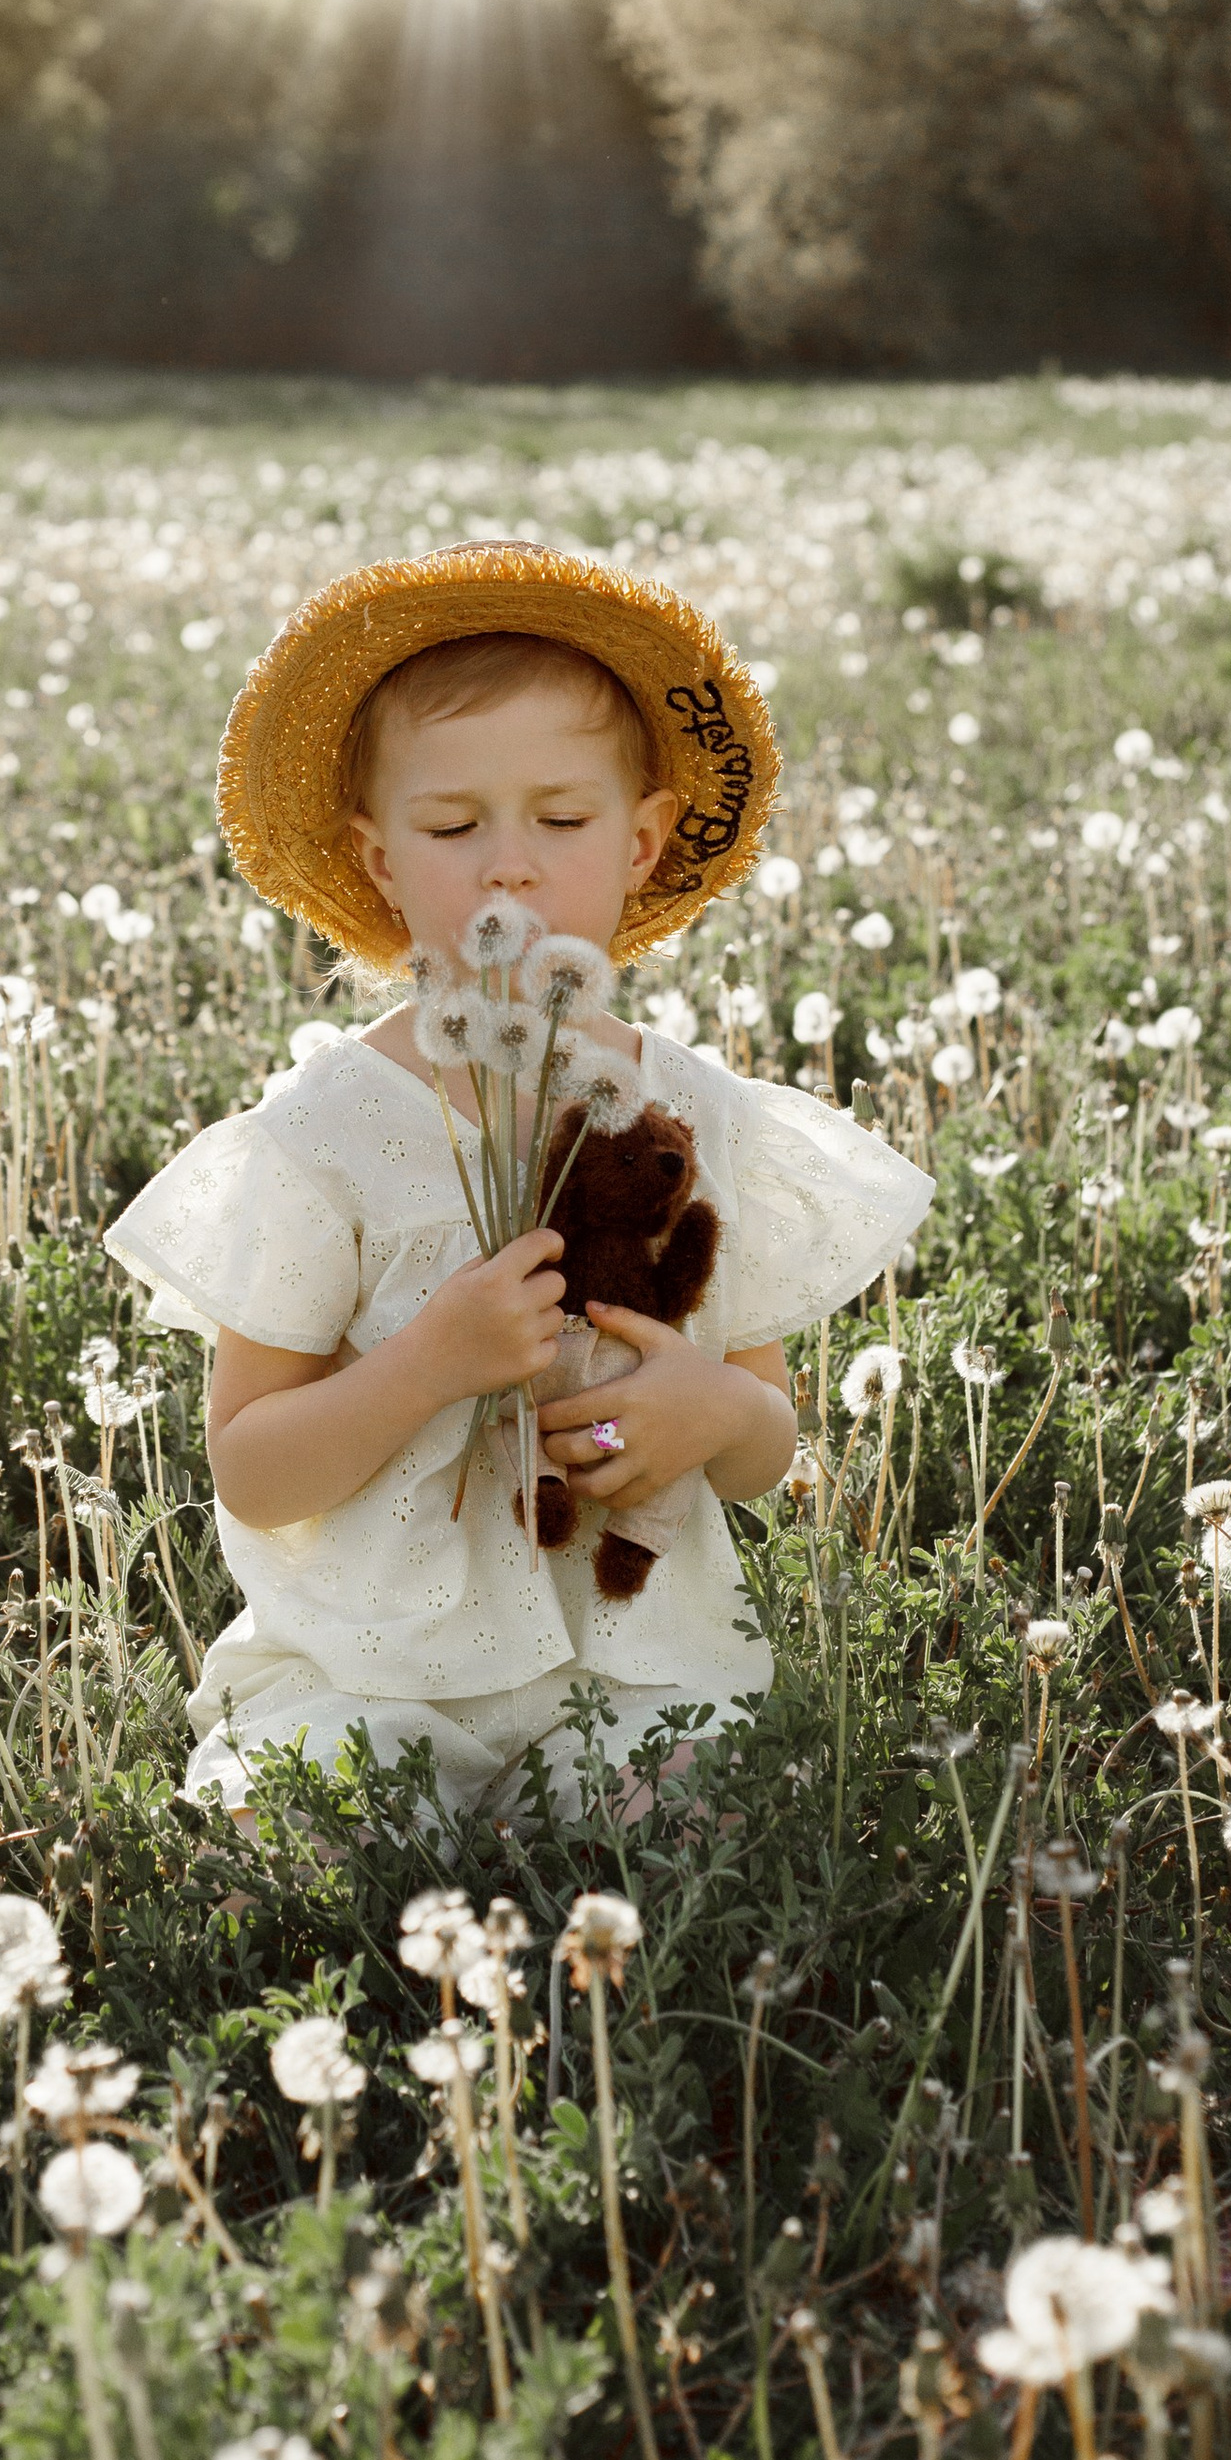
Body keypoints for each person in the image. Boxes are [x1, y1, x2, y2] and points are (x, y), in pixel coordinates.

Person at [102, 540, 933, 1833]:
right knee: (325, 1809)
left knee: (713, 1808)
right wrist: (429, 1362)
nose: (510, 865)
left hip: (637, 1667)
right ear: (378, 862)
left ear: (645, 842)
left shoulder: (698, 1123)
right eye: (451, 826)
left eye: (562, 819)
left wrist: (709, 1408)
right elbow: (256, 1471)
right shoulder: (327, 1135)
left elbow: (768, 1449)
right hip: (372, 1670)